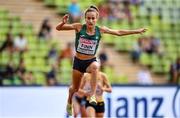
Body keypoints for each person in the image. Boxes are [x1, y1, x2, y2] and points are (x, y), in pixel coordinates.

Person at [56, 5, 147, 115]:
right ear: (85, 19)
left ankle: (93, 95)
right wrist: (63, 22)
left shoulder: (100, 30)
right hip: (78, 62)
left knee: (95, 66)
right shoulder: (79, 27)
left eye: (93, 18)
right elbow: (59, 28)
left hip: (90, 61)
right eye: (88, 18)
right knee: (74, 89)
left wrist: (136, 31)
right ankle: (69, 102)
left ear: (96, 19)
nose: (90, 20)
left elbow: (118, 32)